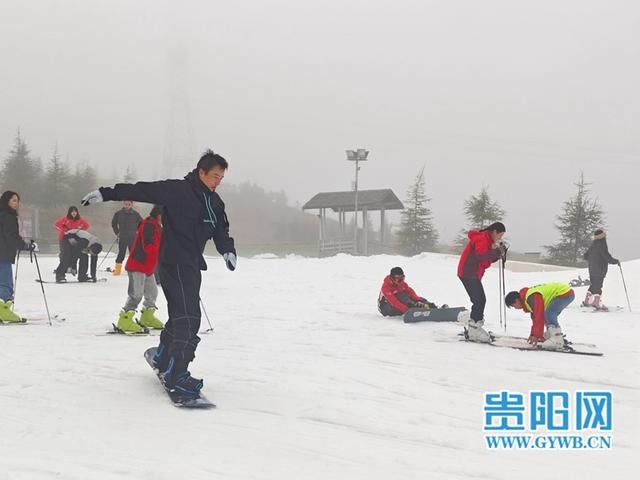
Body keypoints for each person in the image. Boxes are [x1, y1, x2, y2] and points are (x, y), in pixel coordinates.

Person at [81, 149, 236, 398]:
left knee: (181, 313)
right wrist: (106, 193)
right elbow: (140, 190)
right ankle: (177, 373)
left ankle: (165, 356)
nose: (218, 181)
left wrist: (227, 250)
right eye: (214, 176)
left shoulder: (215, 202)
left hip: (192, 264)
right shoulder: (177, 190)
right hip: (173, 261)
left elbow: (220, 230)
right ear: (201, 172)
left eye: (221, 178)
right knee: (189, 317)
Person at [116, 204, 165, 333]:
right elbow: (148, 245)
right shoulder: (149, 225)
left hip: (148, 267)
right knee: (136, 294)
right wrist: (162, 252)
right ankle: (125, 320)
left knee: (152, 293)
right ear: (159, 215)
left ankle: (147, 317)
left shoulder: (159, 227)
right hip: (137, 265)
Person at [457, 222, 507, 342]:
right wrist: (498, 252)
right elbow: (481, 255)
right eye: (500, 235)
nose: (500, 238)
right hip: (468, 272)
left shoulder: (487, 240)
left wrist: (499, 254)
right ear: (494, 231)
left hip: (472, 273)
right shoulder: (482, 238)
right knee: (479, 299)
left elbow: (486, 258)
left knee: (479, 299)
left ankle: (474, 326)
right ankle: (474, 327)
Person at [0, 191, 37, 322]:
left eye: (17, 200)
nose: (16, 203)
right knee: (5, 284)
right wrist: (26, 246)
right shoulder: (8, 216)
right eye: (14, 200)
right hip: (3, 254)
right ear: (6, 201)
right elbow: (11, 237)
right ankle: (3, 311)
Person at [505, 282, 575, 350]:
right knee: (547, 314)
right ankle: (553, 334)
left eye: (514, 306)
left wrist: (536, 335)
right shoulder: (527, 298)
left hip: (564, 293)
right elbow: (535, 318)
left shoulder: (531, 297)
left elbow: (539, 316)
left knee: (549, 313)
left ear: (516, 300)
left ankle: (557, 339)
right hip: (564, 293)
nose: (516, 308)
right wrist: (533, 334)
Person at [582, 229, 619, 311]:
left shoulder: (593, 245)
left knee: (593, 285)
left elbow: (585, 256)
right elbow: (606, 256)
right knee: (598, 286)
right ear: (602, 236)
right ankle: (596, 302)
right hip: (600, 269)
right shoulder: (602, 244)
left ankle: (587, 300)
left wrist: (593, 260)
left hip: (592, 269)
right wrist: (615, 261)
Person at [111, 200, 142, 276]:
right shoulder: (118, 214)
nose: (127, 205)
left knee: (133, 254)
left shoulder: (135, 214)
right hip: (122, 237)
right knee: (121, 253)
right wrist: (117, 232)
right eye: (126, 204)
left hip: (133, 237)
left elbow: (142, 223)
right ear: (123, 204)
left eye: (129, 204)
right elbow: (113, 223)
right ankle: (117, 270)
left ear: (131, 205)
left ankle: (133, 269)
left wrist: (138, 231)